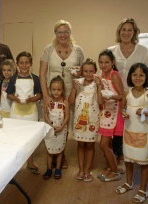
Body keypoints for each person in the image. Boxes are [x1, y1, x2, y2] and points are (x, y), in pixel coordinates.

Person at [108, 18, 148, 173]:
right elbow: (106, 69)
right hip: (116, 96)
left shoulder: (143, 51)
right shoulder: (112, 50)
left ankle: (135, 155)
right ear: (119, 32)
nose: (126, 33)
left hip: (137, 96)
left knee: (133, 125)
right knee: (117, 127)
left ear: (134, 33)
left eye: (129, 30)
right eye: (123, 30)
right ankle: (118, 158)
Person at [39, 19, 85, 169]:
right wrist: (46, 96)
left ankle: (61, 154)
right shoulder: (48, 50)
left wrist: (79, 73)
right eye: (60, 32)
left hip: (72, 94)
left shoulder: (78, 50)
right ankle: (52, 152)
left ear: (70, 33)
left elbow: (85, 72)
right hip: (53, 94)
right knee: (52, 122)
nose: (63, 35)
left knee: (65, 123)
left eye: (66, 32)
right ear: (55, 34)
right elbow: (42, 73)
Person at [115, 63, 148, 203]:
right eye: (135, 74)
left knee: (143, 162)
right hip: (129, 131)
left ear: (146, 77)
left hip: (142, 133)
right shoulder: (127, 93)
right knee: (128, 160)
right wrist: (124, 113)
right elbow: (122, 108)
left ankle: (143, 189)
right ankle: (129, 183)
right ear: (130, 76)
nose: (138, 77)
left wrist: (145, 112)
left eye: (141, 75)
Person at [6, 51, 42, 175]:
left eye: (27, 62)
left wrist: (32, 99)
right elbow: (9, 94)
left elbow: (39, 94)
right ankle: (15, 163)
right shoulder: (13, 79)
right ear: (17, 64)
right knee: (16, 137)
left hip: (31, 111)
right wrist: (16, 99)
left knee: (30, 137)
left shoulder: (35, 78)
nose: (24, 65)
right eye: (21, 63)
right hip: (16, 111)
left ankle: (30, 162)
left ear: (31, 64)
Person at [68, 58, 103, 182]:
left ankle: (87, 170)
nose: (88, 74)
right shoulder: (78, 83)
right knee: (80, 144)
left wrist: (99, 87)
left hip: (92, 119)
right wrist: (73, 88)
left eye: (91, 71)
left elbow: (100, 101)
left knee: (90, 145)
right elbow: (71, 101)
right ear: (82, 72)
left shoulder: (97, 83)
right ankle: (81, 169)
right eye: (85, 71)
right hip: (79, 118)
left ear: (95, 71)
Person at [97, 49, 124, 182]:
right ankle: (110, 166)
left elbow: (122, 95)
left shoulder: (114, 76)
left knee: (103, 144)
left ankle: (114, 172)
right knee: (109, 144)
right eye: (101, 62)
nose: (103, 65)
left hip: (115, 113)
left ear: (112, 63)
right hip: (105, 113)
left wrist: (112, 96)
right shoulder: (102, 75)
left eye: (106, 62)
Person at [43, 76, 69, 180]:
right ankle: (49, 168)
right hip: (50, 128)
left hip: (61, 129)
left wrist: (62, 127)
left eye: (59, 90)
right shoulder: (48, 101)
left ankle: (58, 168)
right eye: (53, 89)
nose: (56, 92)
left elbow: (67, 116)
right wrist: (50, 124)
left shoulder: (65, 101)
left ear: (63, 90)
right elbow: (45, 115)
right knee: (50, 150)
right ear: (50, 89)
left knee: (59, 150)